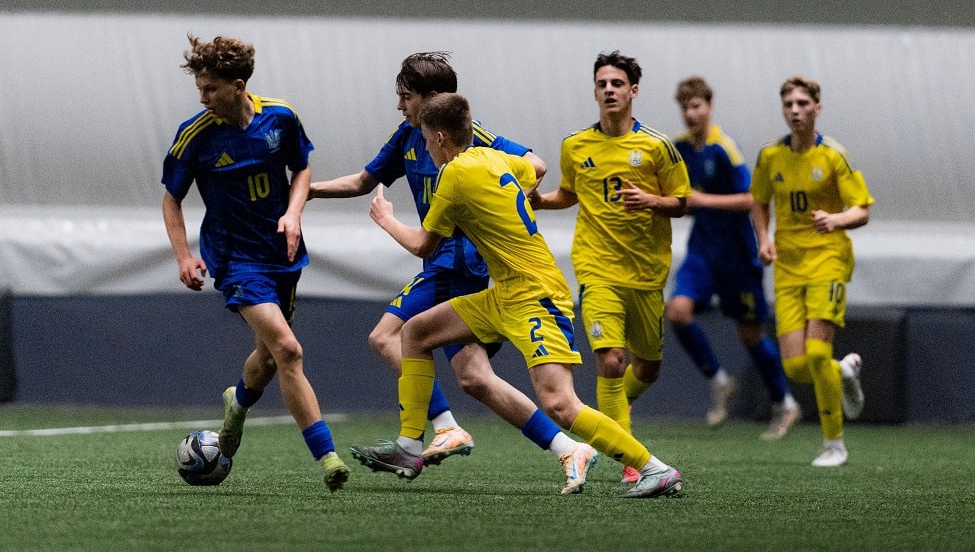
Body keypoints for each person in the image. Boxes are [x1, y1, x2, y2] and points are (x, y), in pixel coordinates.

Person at [351, 93, 683, 498]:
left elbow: (423, 244)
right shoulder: (496, 158)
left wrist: (385, 219)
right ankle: (408, 446)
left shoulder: (453, 175)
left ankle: (654, 468)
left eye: (425, 139)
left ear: (439, 137)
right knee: (416, 333)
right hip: (505, 292)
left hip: (536, 294)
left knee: (560, 404)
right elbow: (534, 170)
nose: (425, 148)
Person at [310, 52, 596, 491]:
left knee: (386, 336)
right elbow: (364, 181)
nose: (399, 105)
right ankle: (566, 447)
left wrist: (494, 212)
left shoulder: (472, 137)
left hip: (458, 263)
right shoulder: (407, 136)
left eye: (406, 97)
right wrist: (308, 191)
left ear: (431, 99)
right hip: (445, 264)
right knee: (474, 378)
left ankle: (437, 429)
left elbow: (537, 166)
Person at [161, 34, 349, 492]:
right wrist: (184, 256)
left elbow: (302, 168)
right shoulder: (195, 135)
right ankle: (328, 458)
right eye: (199, 89)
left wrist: (293, 213)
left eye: (210, 89)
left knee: (266, 358)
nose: (202, 98)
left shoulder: (280, 118)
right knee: (288, 349)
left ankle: (237, 407)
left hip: (282, 256)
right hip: (235, 260)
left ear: (238, 86)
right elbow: (171, 199)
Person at [530, 51, 690, 484]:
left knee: (647, 368)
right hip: (597, 269)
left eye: (617, 83)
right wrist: (541, 201)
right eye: (602, 84)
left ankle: (619, 408)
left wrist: (650, 200)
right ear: (595, 91)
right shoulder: (576, 145)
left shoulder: (657, 146)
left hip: (646, 273)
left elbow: (681, 201)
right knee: (611, 361)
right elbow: (569, 193)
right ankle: (632, 462)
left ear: (633, 91)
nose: (609, 90)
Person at [749, 75, 874, 467]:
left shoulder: (833, 155)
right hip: (788, 266)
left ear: (817, 108)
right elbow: (758, 200)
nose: (795, 111)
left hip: (827, 260)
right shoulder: (770, 156)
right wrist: (763, 239)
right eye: (789, 105)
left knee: (817, 354)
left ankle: (834, 445)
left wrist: (836, 220)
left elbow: (861, 210)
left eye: (803, 104)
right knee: (796, 367)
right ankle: (844, 371)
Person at [667, 76, 800, 439]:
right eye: (685, 107)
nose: (690, 114)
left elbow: (750, 199)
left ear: (709, 107)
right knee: (677, 312)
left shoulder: (725, 147)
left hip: (738, 255)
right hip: (702, 249)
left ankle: (785, 402)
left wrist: (701, 201)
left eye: (696, 106)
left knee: (750, 335)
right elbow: (685, 199)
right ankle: (719, 381)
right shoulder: (679, 148)